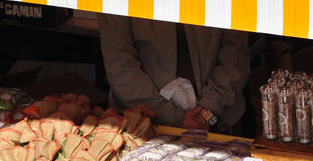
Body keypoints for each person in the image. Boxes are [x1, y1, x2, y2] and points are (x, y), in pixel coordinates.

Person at [97, 14, 249, 134]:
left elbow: (235, 53)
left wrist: (209, 108)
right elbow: (121, 67)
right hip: (145, 124)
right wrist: (172, 116)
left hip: (219, 119)